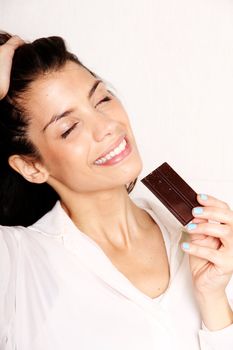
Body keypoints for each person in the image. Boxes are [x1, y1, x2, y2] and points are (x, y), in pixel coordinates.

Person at [0, 31, 232, 350]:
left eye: (102, 99)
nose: (106, 125)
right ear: (32, 167)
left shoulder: (197, 240)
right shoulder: (16, 263)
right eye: (69, 128)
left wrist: (213, 297)